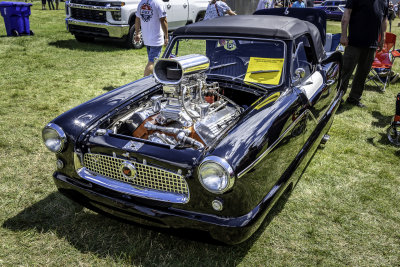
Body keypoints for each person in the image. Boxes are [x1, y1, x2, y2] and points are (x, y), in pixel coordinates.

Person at [340, 0, 388, 107]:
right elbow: (347, 13)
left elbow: (384, 19)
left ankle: (354, 98)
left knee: (363, 73)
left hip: (372, 44)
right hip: (354, 43)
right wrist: (343, 35)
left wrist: (383, 38)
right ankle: (337, 98)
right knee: (345, 71)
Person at [134, 0, 168, 77]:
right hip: (156, 39)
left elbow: (137, 19)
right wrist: (166, 37)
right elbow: (164, 21)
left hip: (147, 39)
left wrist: (137, 33)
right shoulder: (159, 3)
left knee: (153, 62)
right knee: (151, 62)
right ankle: (143, 84)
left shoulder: (141, 3)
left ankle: (154, 80)